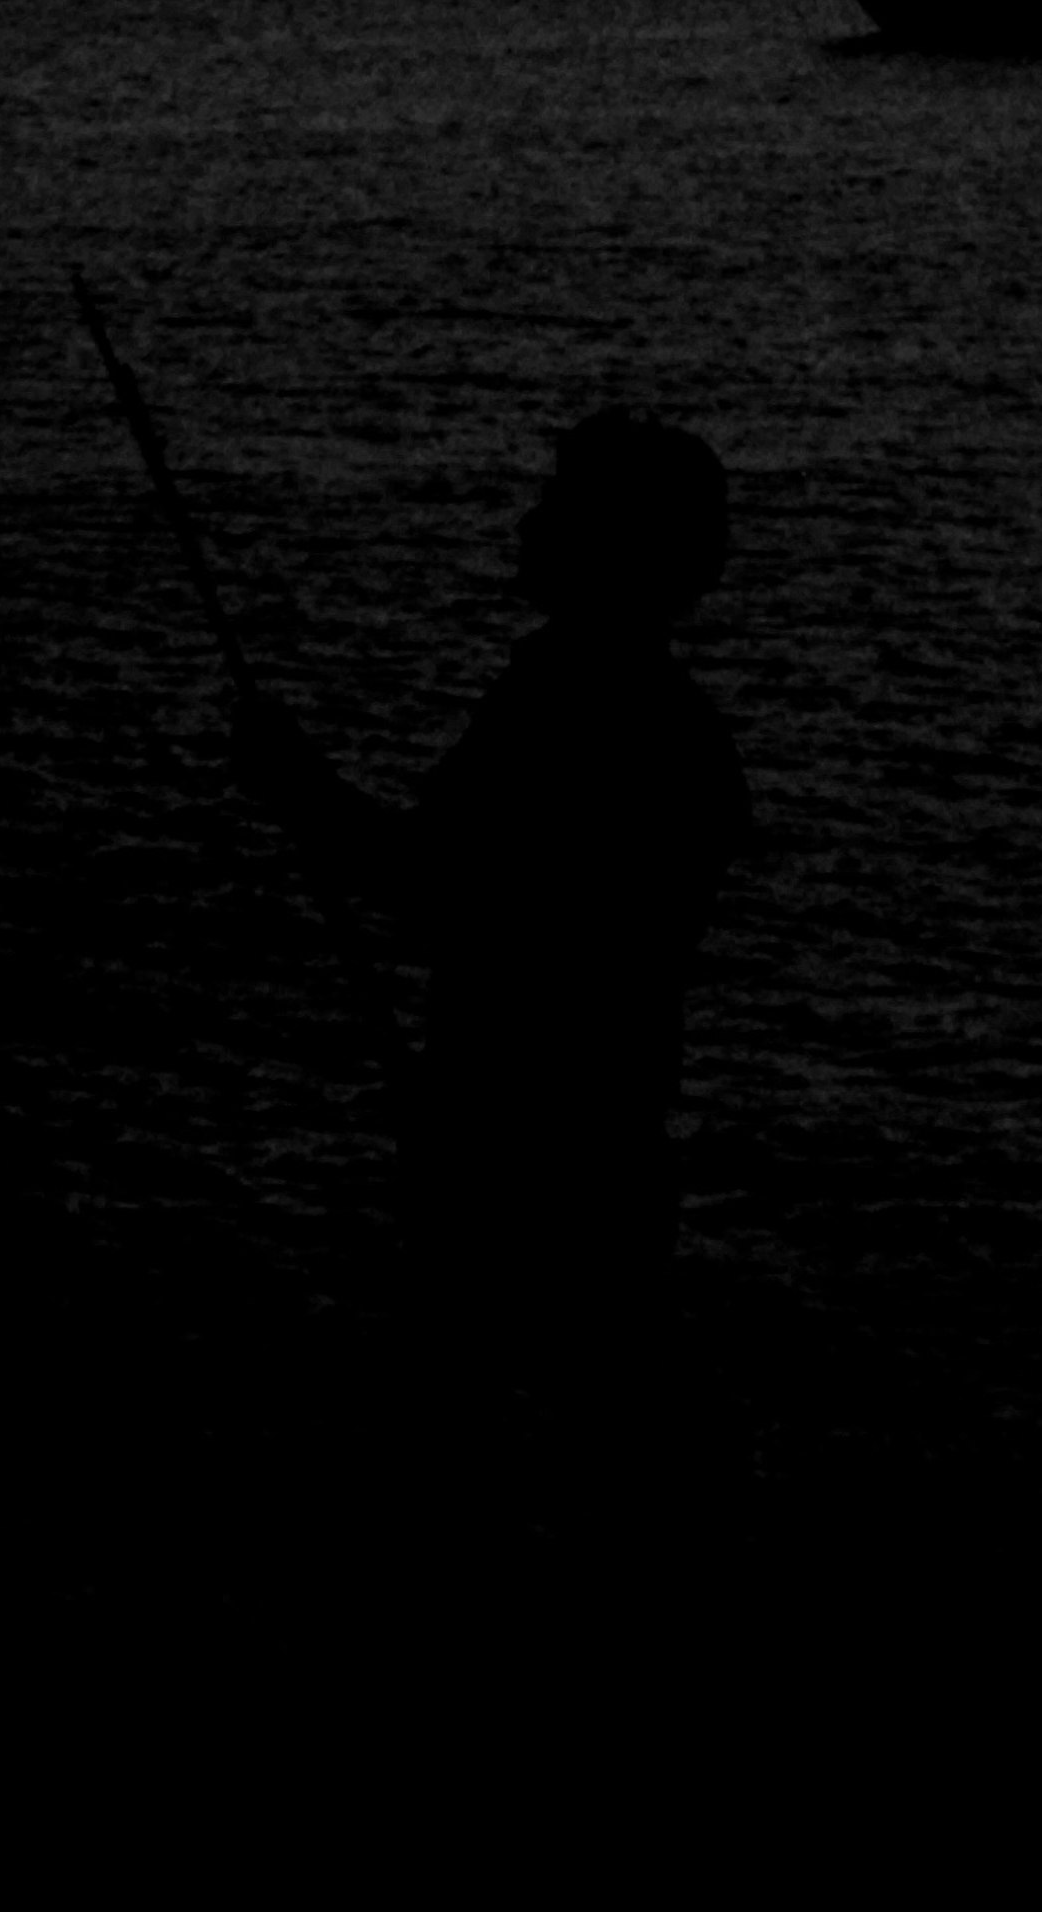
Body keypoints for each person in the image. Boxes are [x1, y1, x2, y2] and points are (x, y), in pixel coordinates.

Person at [229, 412, 754, 1414]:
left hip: (516, 1166)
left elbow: (429, 884)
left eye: (555, 507)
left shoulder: (561, 706)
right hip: (603, 1164)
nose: (528, 525)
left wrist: (295, 786)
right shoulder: (682, 734)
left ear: (607, 543)